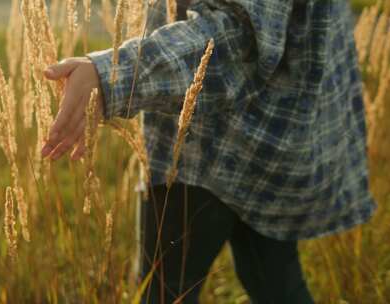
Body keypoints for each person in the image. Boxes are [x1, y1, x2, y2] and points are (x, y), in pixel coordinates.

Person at [40, 0, 377, 303]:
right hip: (275, 143)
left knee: (164, 292)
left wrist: (112, 74)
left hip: (206, 146)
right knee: (275, 283)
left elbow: (240, 36)